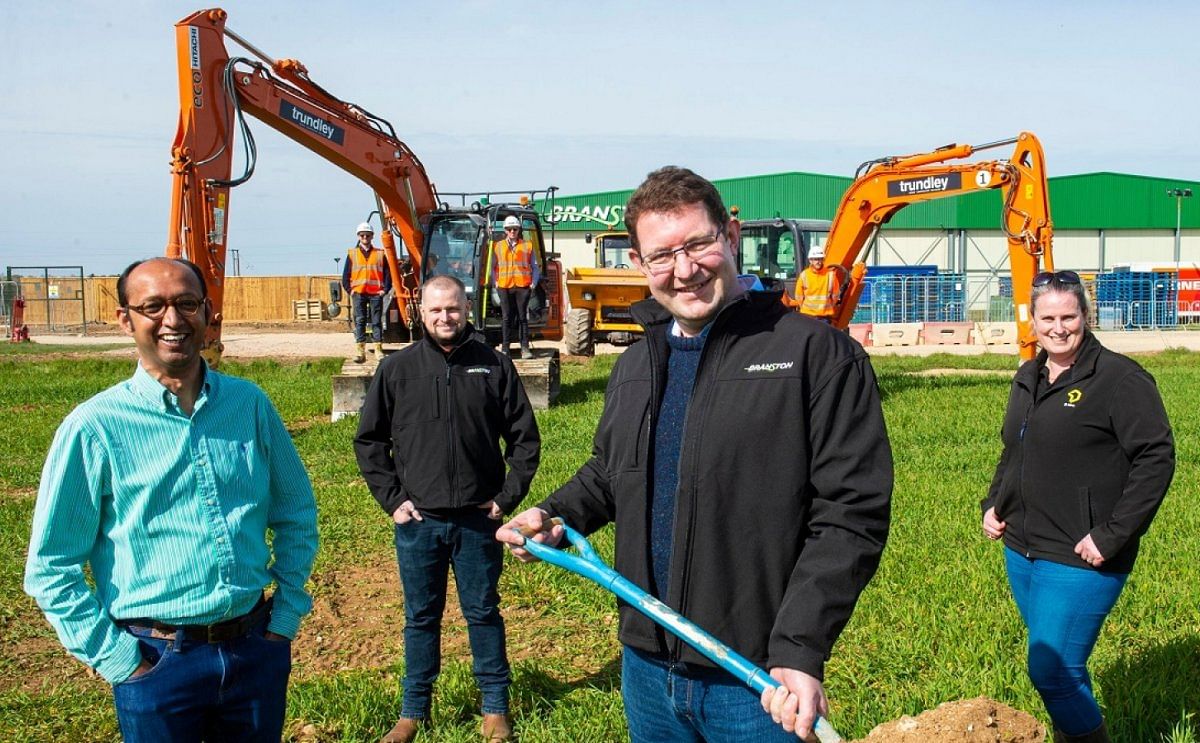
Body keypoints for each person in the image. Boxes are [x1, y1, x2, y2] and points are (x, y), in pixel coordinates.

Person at [498, 166, 892, 742]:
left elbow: (851, 513)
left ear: (730, 237)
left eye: (698, 244)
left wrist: (800, 647)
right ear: (639, 263)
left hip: (757, 680)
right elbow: (612, 471)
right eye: (662, 255)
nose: (684, 270)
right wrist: (558, 516)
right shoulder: (638, 364)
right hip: (648, 671)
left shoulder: (815, 355)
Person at [24, 257, 318, 742]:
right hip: (156, 663)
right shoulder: (94, 427)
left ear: (207, 311)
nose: (173, 321)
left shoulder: (249, 405)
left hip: (253, 652)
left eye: (186, 304)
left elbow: (296, 514)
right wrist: (118, 660)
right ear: (126, 319)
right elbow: (51, 565)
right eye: (153, 307)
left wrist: (283, 619)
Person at [981, 270, 1174, 743]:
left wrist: (1111, 534)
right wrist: (994, 502)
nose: (1059, 327)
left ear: (1086, 317)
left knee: (1051, 669)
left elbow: (1157, 459)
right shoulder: (1029, 375)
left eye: (1069, 316)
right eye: (1048, 317)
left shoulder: (1119, 379)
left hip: (1083, 554)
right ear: (1033, 321)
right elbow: (1015, 448)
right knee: (1065, 667)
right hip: (1023, 549)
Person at [354, 274, 540, 743]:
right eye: (435, 310)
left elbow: (524, 439)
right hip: (420, 524)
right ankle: (412, 713)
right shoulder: (396, 370)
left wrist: (505, 497)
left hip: (479, 521)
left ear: (466, 309)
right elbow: (370, 441)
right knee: (420, 617)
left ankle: (495, 708)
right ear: (421, 311)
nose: (445, 318)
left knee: (483, 612)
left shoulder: (493, 365)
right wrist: (393, 501)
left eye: (453, 309)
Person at [341, 221, 393, 363]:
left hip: (376, 293)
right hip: (358, 293)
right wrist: (349, 290)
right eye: (362, 235)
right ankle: (360, 351)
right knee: (360, 321)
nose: (365, 237)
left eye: (368, 235)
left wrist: (385, 290)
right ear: (358, 236)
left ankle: (378, 350)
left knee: (376, 321)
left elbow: (388, 274)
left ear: (372, 236)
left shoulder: (380, 254)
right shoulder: (352, 254)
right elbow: (346, 275)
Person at [490, 214, 540, 358]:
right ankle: (505, 348)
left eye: (515, 229)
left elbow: (535, 267)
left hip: (522, 286)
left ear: (519, 230)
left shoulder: (527, 246)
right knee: (506, 317)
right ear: (505, 230)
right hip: (504, 286)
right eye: (510, 229)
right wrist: (496, 282)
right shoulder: (498, 246)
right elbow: (493, 267)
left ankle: (524, 348)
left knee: (522, 317)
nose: (512, 231)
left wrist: (533, 283)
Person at [796, 245, 842, 322]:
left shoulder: (830, 275)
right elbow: (799, 296)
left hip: (824, 316)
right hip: (808, 315)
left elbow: (835, 296)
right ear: (810, 260)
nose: (819, 262)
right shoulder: (804, 275)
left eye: (820, 259)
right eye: (816, 259)